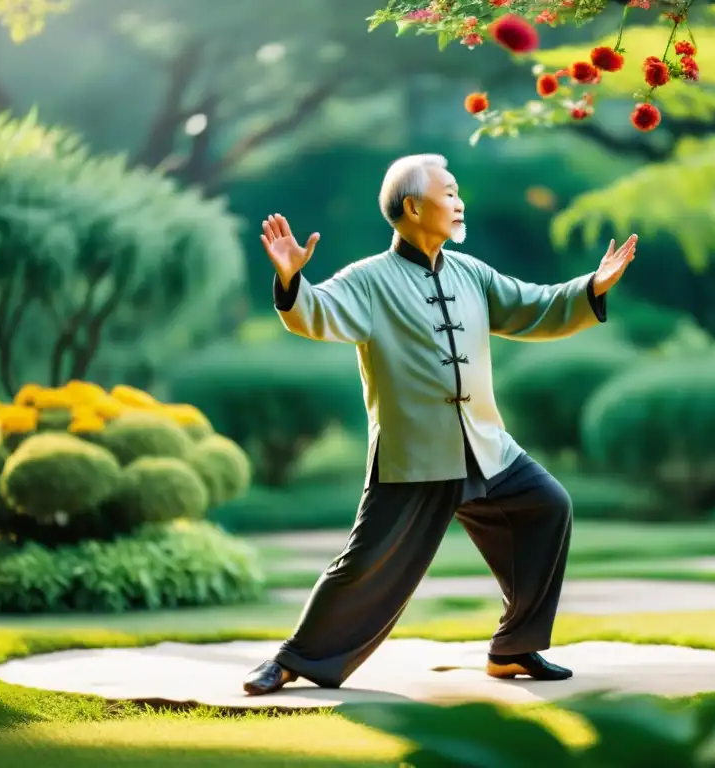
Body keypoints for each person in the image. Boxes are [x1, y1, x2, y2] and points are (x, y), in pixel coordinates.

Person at [243, 153, 637, 695]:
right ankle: (292, 660)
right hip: (414, 455)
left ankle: (515, 648)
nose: (459, 202)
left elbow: (533, 306)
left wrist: (592, 286)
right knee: (365, 565)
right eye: (448, 192)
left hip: (486, 447)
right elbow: (318, 311)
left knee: (547, 507)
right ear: (412, 206)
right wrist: (291, 282)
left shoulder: (471, 271)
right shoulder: (368, 280)